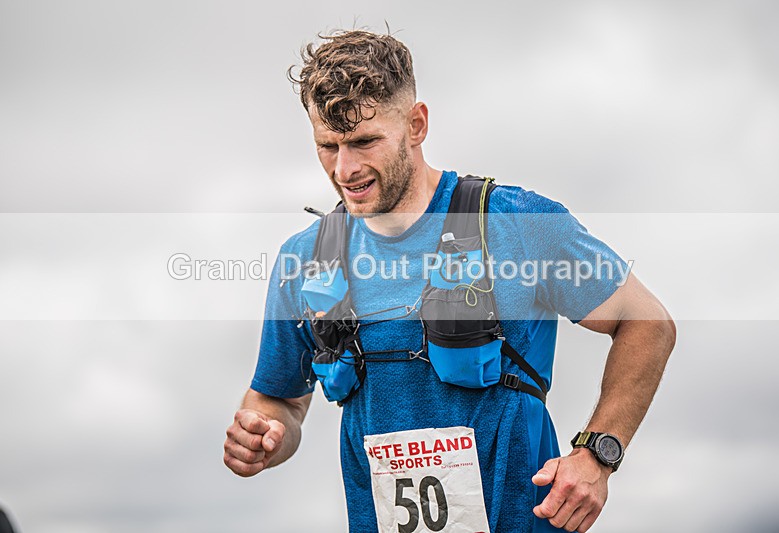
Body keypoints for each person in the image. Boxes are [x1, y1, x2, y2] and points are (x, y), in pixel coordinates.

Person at [223, 29, 676, 533]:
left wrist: (597, 454)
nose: (344, 169)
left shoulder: (517, 222)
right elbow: (279, 402)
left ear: (416, 125)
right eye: (327, 146)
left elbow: (647, 323)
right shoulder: (304, 259)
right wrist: (263, 434)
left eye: (364, 141)